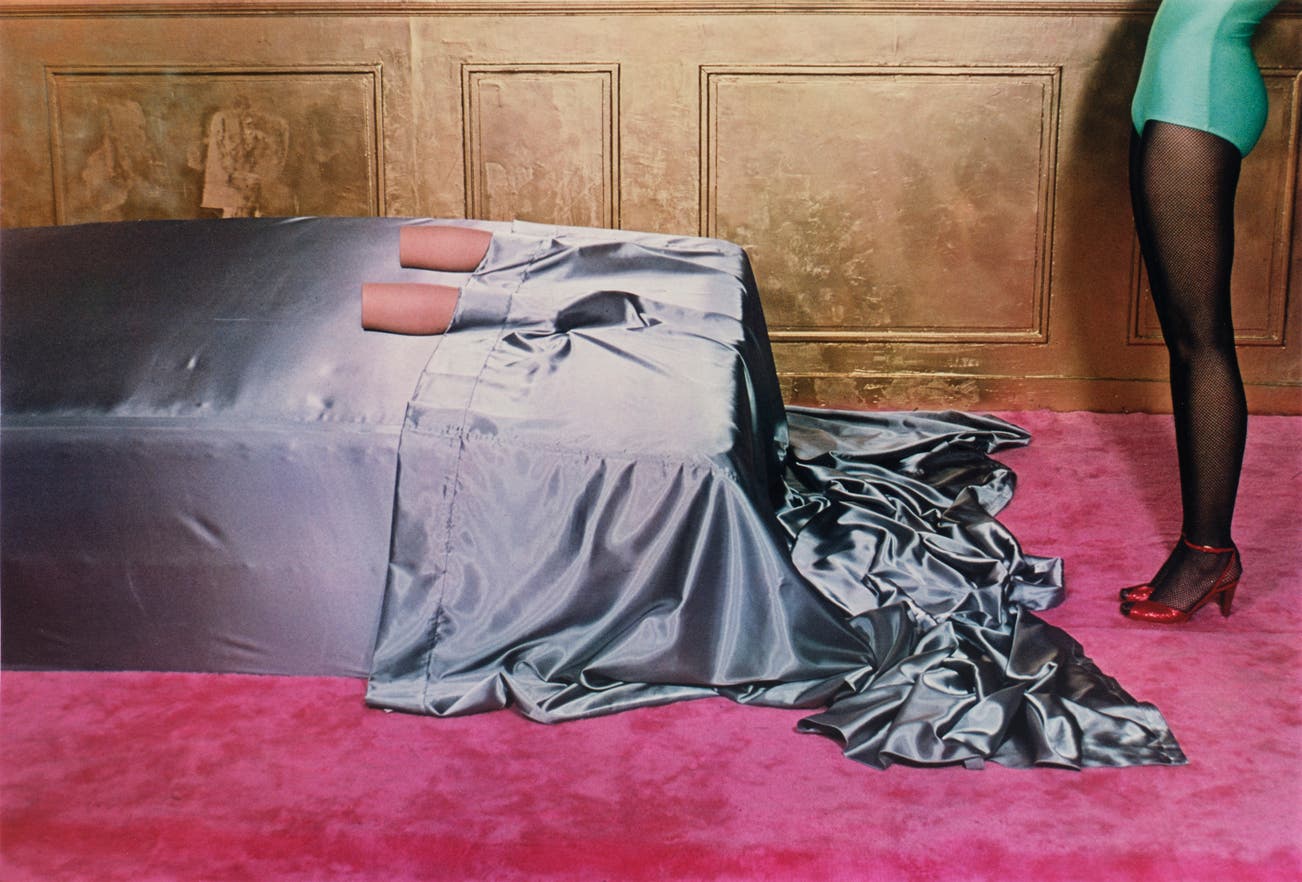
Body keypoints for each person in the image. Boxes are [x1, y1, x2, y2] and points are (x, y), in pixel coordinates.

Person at [1121, 0, 1281, 624]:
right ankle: (1202, 549)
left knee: (1201, 341)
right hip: (1169, 93)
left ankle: (1208, 553)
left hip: (1200, 96)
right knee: (1187, 341)